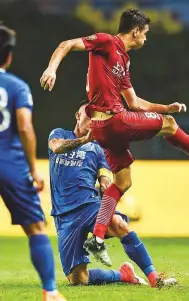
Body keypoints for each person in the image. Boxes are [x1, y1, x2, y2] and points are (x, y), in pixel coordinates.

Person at [40, 9, 189, 265]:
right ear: (136, 31)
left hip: (103, 128)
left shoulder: (124, 61)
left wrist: (166, 108)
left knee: (122, 181)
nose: (146, 38)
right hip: (113, 120)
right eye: (146, 33)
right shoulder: (107, 42)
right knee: (169, 126)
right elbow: (66, 44)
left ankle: (97, 238)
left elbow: (134, 102)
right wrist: (52, 69)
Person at [48, 100, 177, 288]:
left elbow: (105, 174)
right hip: (64, 216)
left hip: (90, 207)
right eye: (88, 115)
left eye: (95, 118)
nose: (92, 120)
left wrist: (104, 183)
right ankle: (123, 275)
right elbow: (56, 147)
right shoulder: (59, 134)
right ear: (77, 116)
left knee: (119, 224)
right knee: (78, 279)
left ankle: (154, 278)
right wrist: (84, 140)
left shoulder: (99, 148)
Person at [0, 24, 66, 301]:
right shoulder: (16, 87)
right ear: (9, 56)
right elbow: (25, 128)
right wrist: (32, 169)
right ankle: (50, 291)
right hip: (10, 162)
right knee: (36, 228)